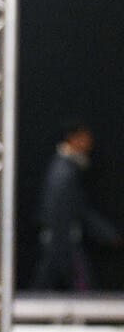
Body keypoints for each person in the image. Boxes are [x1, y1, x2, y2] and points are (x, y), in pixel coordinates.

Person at [31, 121, 122, 291]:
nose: (89, 143)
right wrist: (106, 233)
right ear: (73, 138)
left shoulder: (65, 168)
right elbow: (73, 209)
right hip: (62, 238)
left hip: (60, 238)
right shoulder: (63, 171)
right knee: (79, 286)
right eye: (85, 138)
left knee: (47, 285)